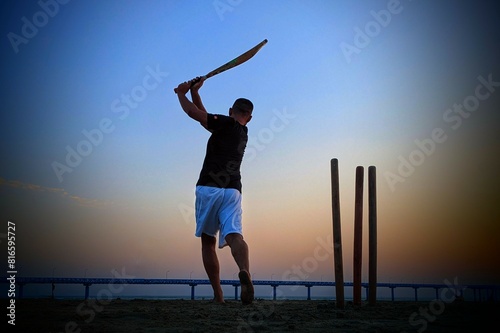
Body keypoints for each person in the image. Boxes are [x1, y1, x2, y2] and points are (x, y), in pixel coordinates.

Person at [174, 77, 254, 304]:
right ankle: (245, 272)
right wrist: (196, 92)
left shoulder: (227, 124)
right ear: (248, 117)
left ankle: (218, 295)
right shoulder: (242, 133)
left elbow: (194, 114)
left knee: (208, 242)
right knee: (235, 235)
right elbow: (207, 122)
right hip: (233, 191)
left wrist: (181, 93)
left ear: (231, 111)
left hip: (209, 187)